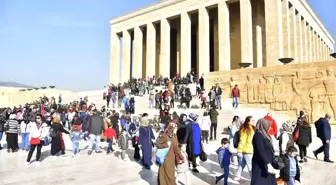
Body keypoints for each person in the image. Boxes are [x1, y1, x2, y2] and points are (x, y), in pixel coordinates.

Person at [251, 118, 277, 185]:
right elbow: (261, 150)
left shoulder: (264, 135)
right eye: (268, 126)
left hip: (266, 164)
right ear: (263, 125)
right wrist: (268, 163)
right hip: (261, 165)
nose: (269, 128)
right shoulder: (258, 135)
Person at [235, 116, 254, 182]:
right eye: (252, 120)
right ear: (248, 121)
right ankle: (253, 180)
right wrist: (239, 151)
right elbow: (242, 140)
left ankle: (237, 176)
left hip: (248, 149)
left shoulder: (251, 128)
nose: (253, 122)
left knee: (242, 164)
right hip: (247, 150)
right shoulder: (244, 129)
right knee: (250, 166)